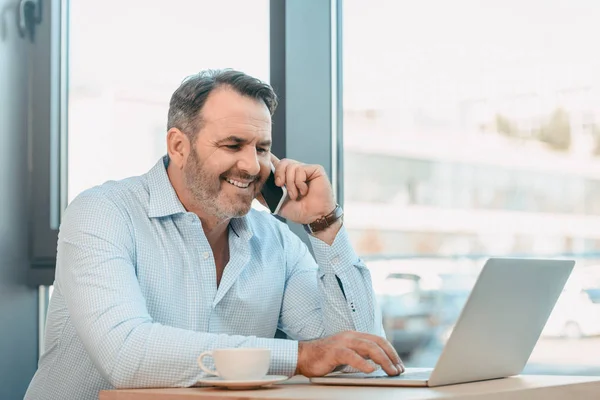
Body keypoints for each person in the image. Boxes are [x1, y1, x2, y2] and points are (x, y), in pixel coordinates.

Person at [25, 69, 403, 400]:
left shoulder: (277, 242)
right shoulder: (103, 213)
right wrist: (301, 357)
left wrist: (324, 224)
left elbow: (359, 360)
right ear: (179, 146)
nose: (252, 165)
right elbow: (127, 356)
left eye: (262, 148)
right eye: (233, 145)